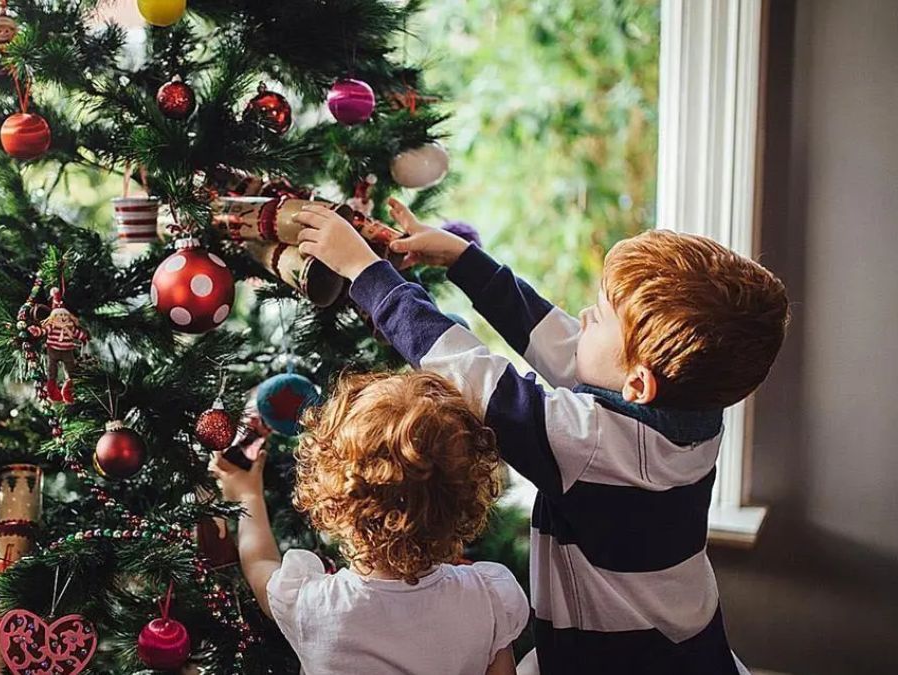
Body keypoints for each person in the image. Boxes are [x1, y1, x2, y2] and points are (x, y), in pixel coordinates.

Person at [291, 199, 790, 675]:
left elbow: (471, 372)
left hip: (616, 661)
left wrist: (367, 273)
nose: (584, 318)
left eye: (600, 316)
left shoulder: (591, 444)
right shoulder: (690, 414)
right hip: (688, 642)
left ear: (638, 384)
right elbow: (563, 344)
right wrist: (465, 261)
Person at [211, 371, 529, 675]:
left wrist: (247, 494)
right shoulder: (488, 599)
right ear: (465, 499)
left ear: (335, 500)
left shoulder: (315, 606)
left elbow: (260, 562)